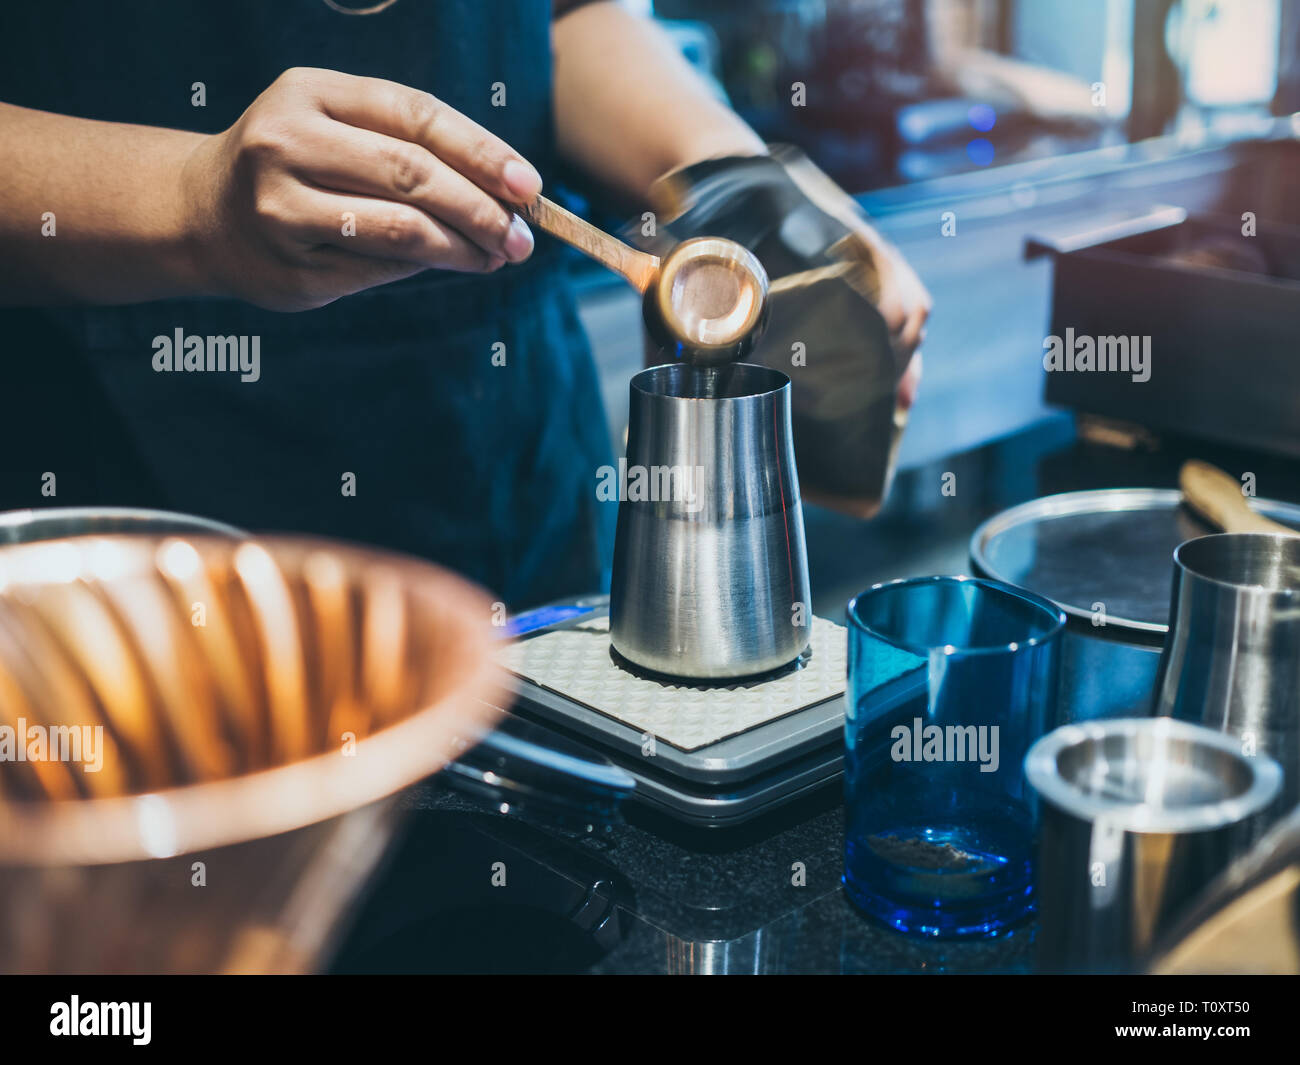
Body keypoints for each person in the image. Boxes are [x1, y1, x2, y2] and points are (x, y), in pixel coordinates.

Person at [0, 0, 927, 608]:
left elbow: (561, 16)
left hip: (511, 477)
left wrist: (737, 187)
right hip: (131, 525)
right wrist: (191, 203)